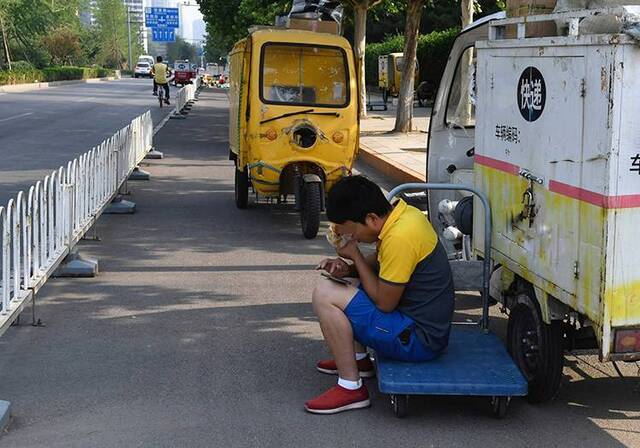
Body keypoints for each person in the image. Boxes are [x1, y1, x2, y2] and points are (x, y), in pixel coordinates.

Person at [306, 175, 455, 414]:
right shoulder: (404, 216)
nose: (351, 239)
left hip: (418, 341)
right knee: (346, 281)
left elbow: (385, 303)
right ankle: (359, 361)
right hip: (420, 327)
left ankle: (351, 388)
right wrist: (349, 268)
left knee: (325, 294)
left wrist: (354, 255)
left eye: (351, 233)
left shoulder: (399, 238)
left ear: (371, 219)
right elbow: (379, 267)